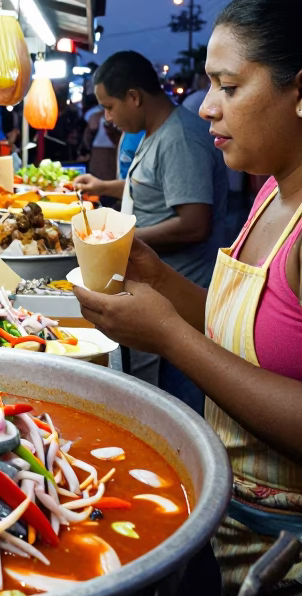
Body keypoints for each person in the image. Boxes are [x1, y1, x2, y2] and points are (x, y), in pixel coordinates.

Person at [72, 0, 302, 596]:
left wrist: (166, 333)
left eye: (230, 88)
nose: (206, 107)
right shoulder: (272, 193)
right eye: (208, 84)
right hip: (235, 536)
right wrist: (150, 275)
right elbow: (240, 331)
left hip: (289, 565)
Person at [76, 50, 227, 410]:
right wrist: (104, 185)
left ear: (134, 97)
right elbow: (151, 188)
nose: (107, 118)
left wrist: (116, 240)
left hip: (181, 302)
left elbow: (193, 224)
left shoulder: (181, 139)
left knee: (176, 404)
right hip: (156, 292)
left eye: (110, 107)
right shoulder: (154, 132)